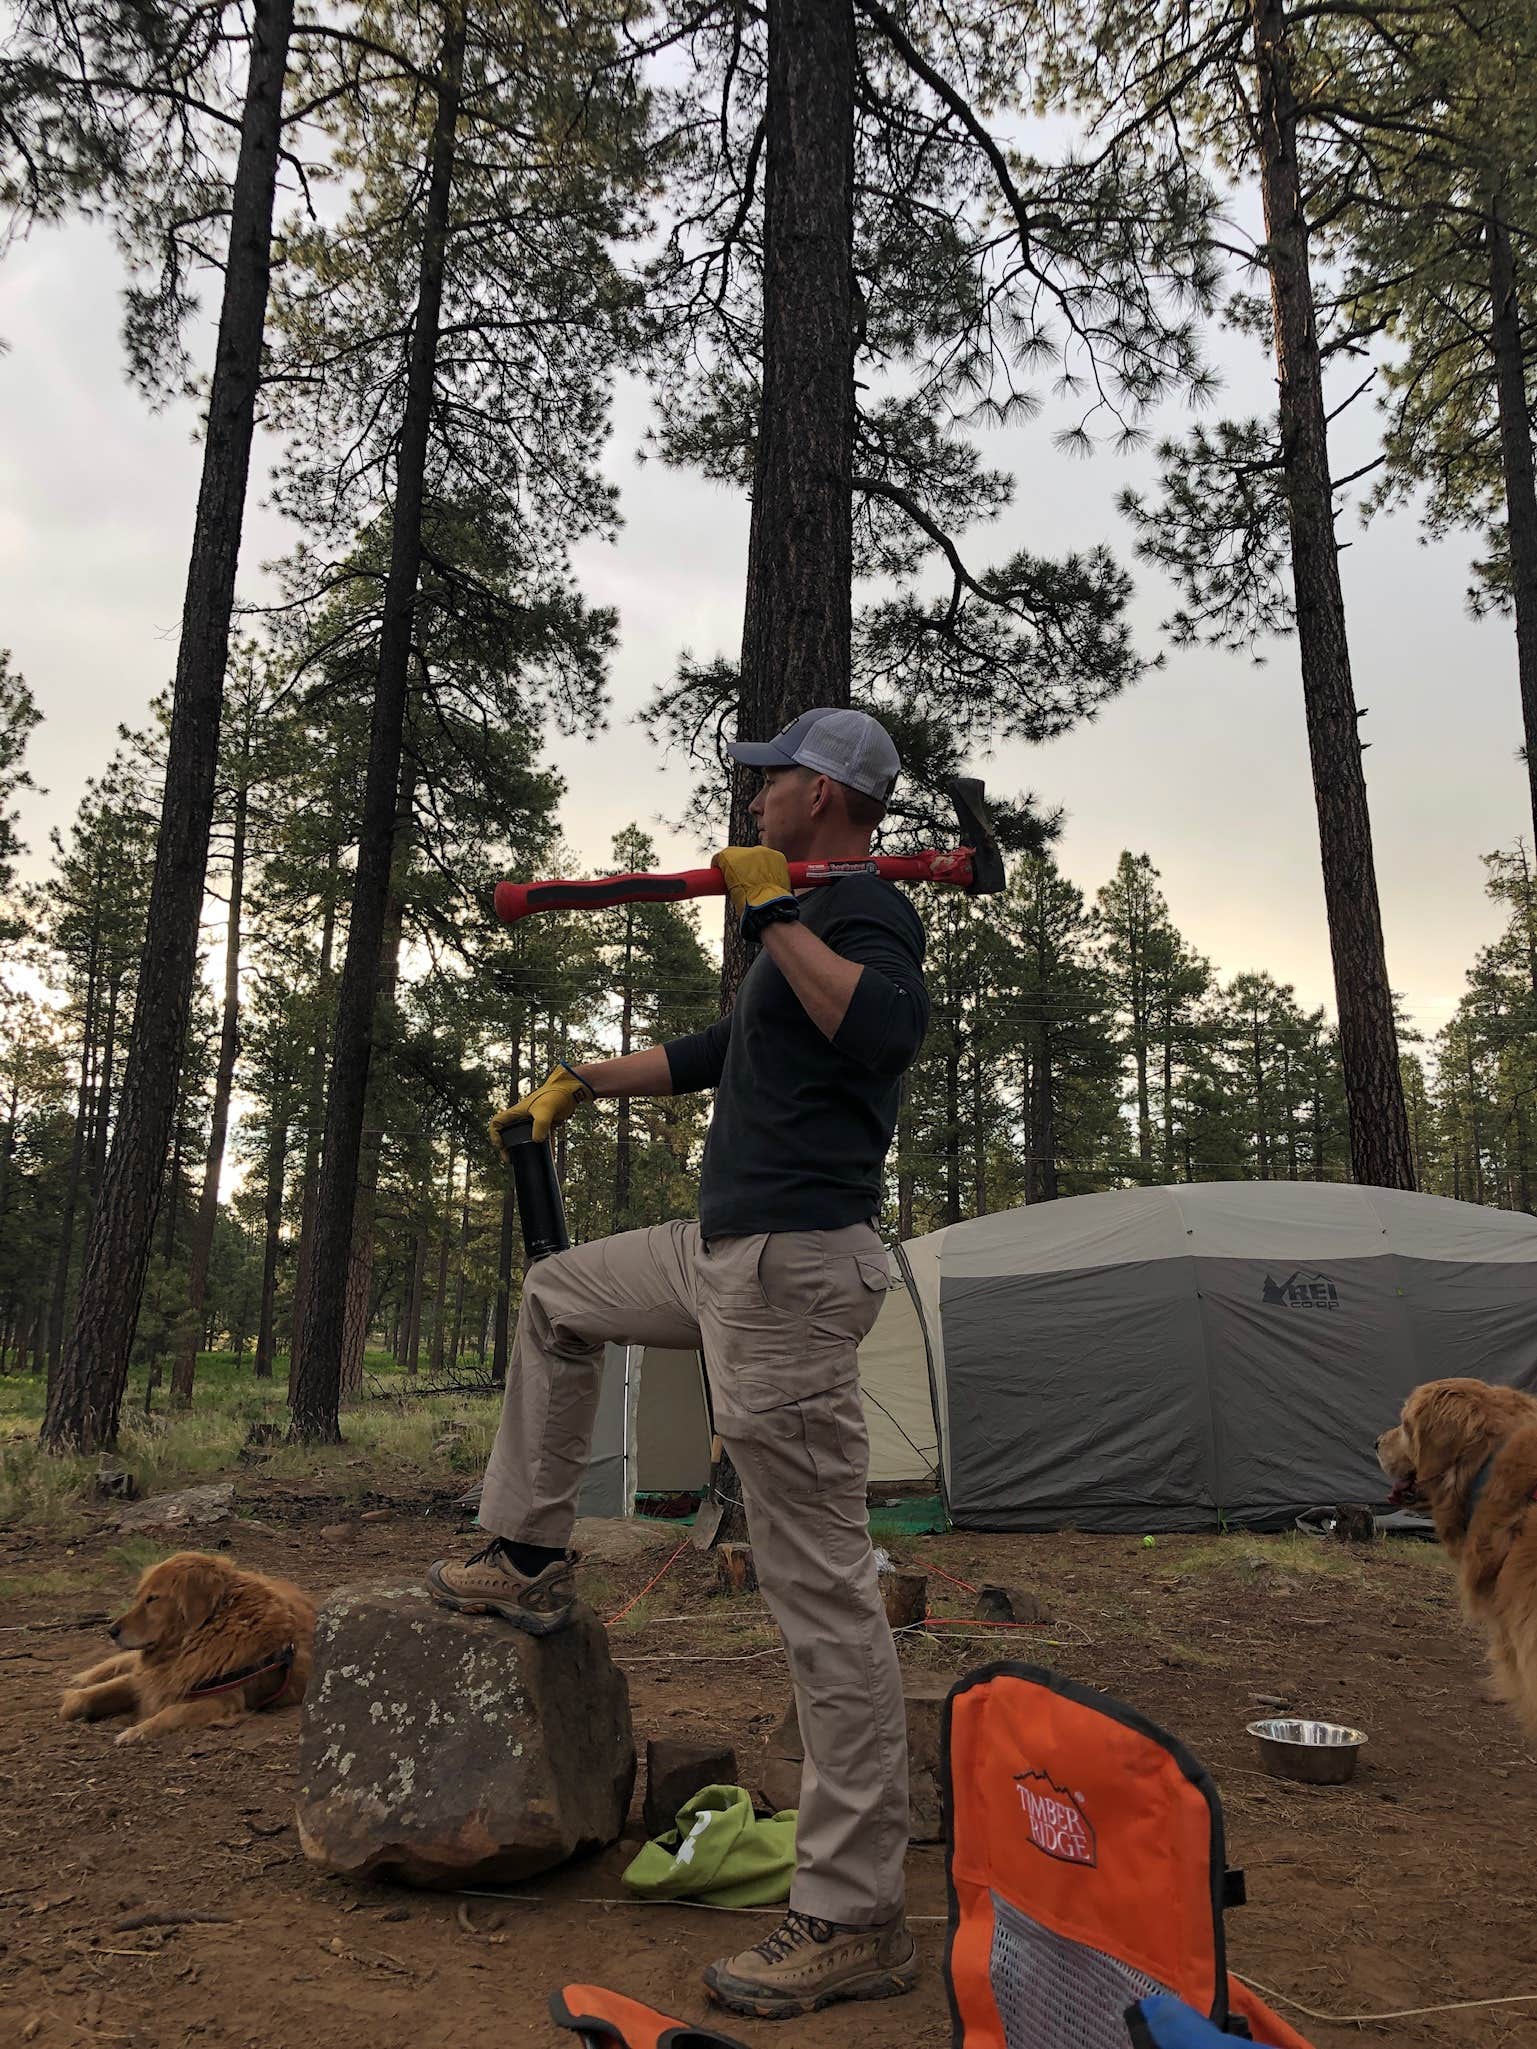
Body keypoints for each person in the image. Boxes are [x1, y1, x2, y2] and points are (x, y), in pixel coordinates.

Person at [428, 707, 930, 2020]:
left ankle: (852, 1910)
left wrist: (774, 920)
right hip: (716, 1251)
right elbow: (726, 1054)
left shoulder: (868, 913)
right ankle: (528, 1555)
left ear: (822, 796)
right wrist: (580, 1079)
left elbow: (877, 1031)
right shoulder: (804, 915)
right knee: (556, 1293)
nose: (752, 793)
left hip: (787, 1269)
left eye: (772, 778)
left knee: (819, 1596)